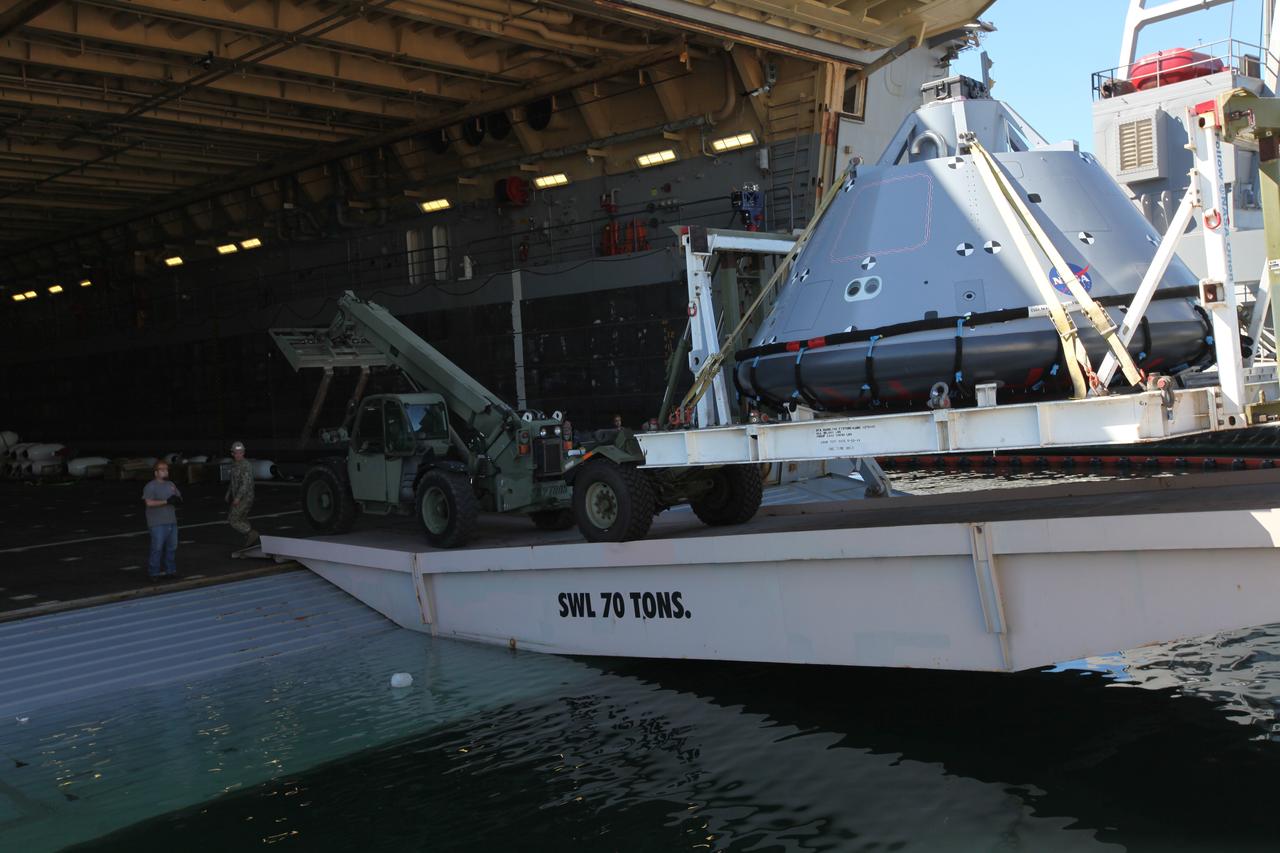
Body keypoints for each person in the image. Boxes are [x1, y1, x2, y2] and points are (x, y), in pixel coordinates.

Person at [142, 460, 182, 580]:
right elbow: (148, 503)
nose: (165, 471)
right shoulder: (150, 486)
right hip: (157, 523)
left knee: (172, 547)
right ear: (156, 472)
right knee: (157, 548)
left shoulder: (171, 484)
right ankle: (153, 573)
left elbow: (179, 496)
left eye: (166, 469)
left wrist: (177, 498)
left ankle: (170, 570)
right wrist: (166, 501)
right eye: (162, 469)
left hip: (171, 521)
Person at [226, 440, 258, 547]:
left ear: (244, 453)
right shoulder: (235, 464)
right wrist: (228, 493)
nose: (238, 455)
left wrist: (237, 498)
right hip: (239, 496)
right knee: (242, 518)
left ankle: (251, 533)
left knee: (233, 519)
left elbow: (245, 484)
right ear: (232, 454)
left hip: (245, 497)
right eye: (236, 453)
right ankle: (250, 538)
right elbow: (233, 481)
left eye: (240, 453)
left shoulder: (246, 465)